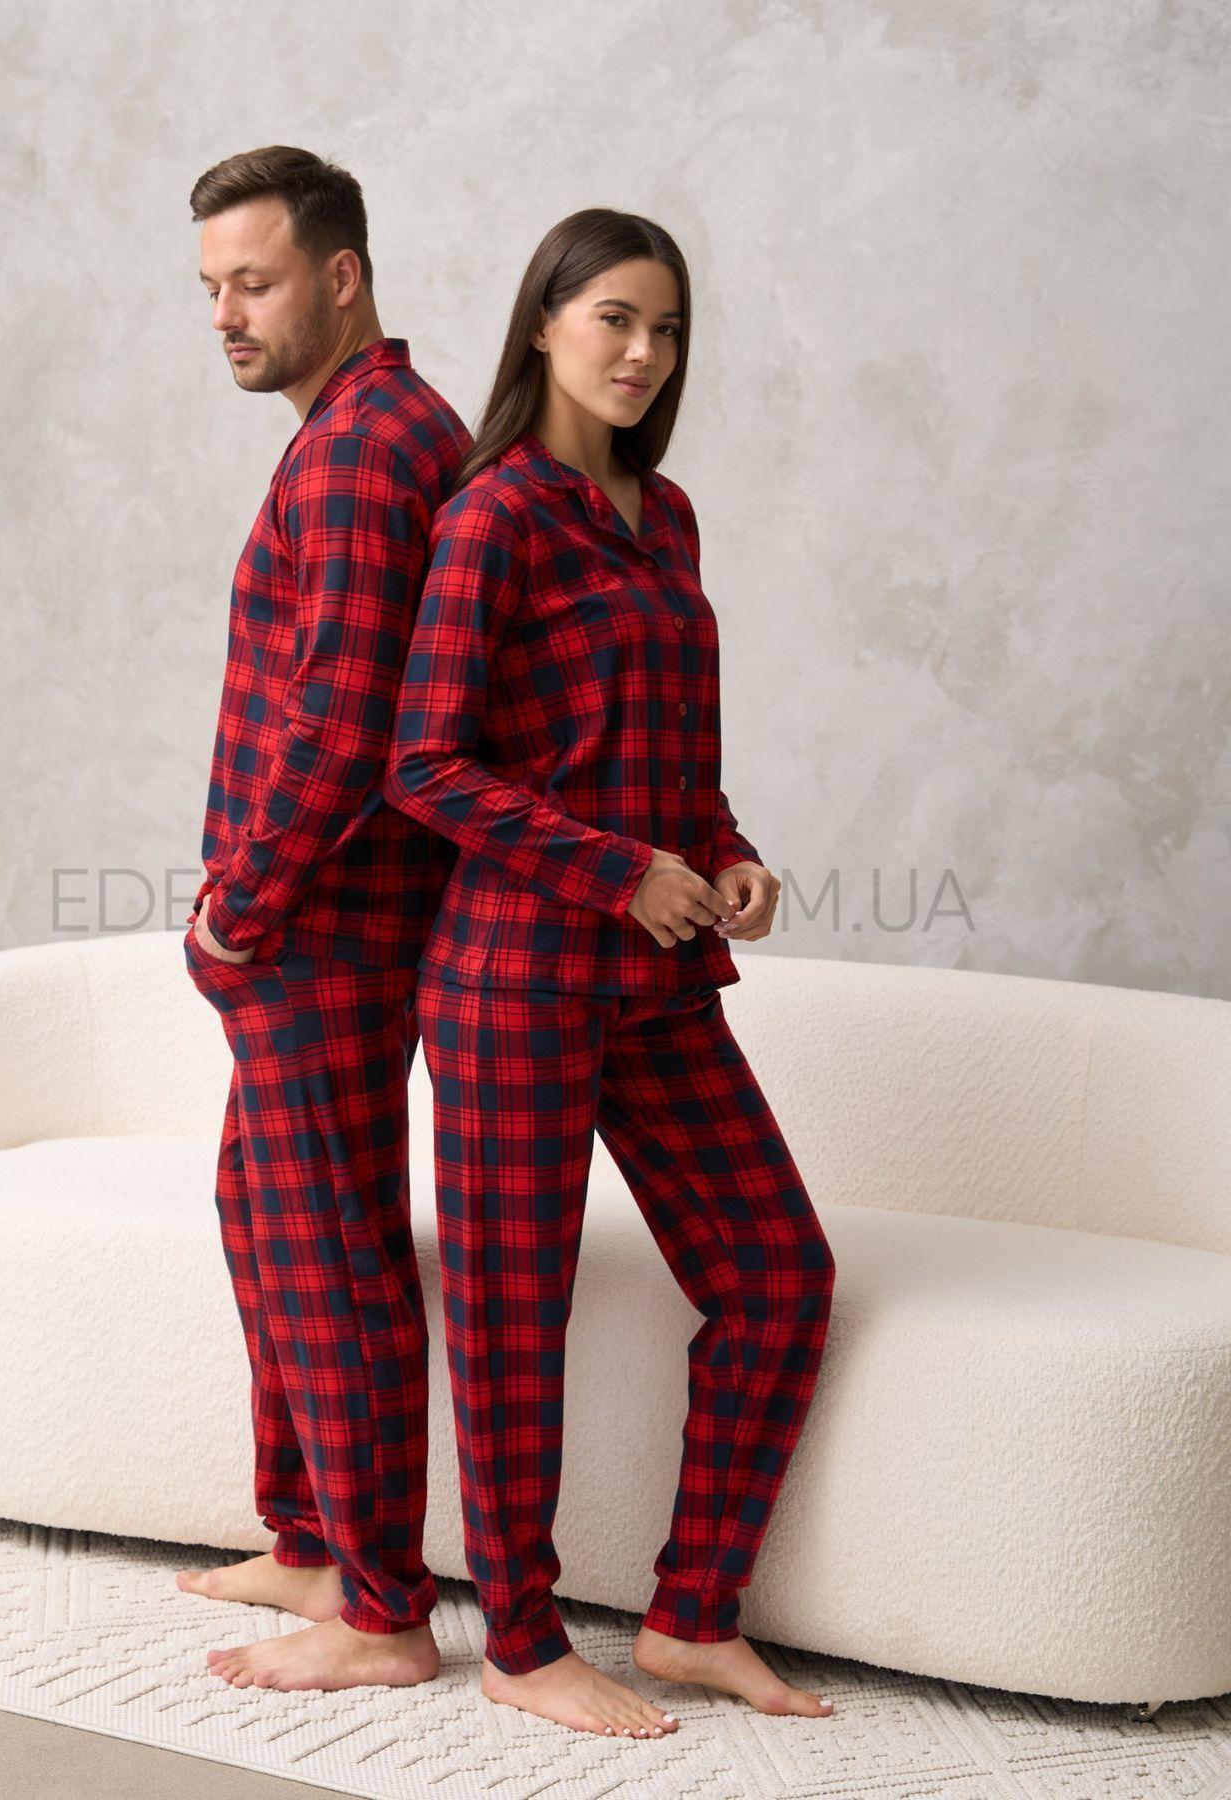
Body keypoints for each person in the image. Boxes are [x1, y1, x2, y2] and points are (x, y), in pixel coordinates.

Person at [382, 208, 837, 1738]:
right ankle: (520, 1643)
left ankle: (693, 1616)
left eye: (667, 328)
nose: (644, 353)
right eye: (614, 320)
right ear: (543, 325)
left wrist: (725, 852)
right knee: (515, 1310)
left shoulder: (667, 515)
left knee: (778, 1274)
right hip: (514, 978)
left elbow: (674, 759)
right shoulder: (494, 513)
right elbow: (423, 763)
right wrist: (617, 871)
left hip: (656, 978)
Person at [173, 144, 470, 1695]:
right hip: (316, 922)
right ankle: (309, 1536)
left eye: (257, 281)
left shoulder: (362, 451)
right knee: (266, 1208)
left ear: (342, 276)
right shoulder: (369, 428)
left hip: (327, 923)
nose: (228, 314)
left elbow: (344, 722)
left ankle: (382, 1609)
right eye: (212, 288)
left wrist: (241, 907)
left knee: (332, 1246)